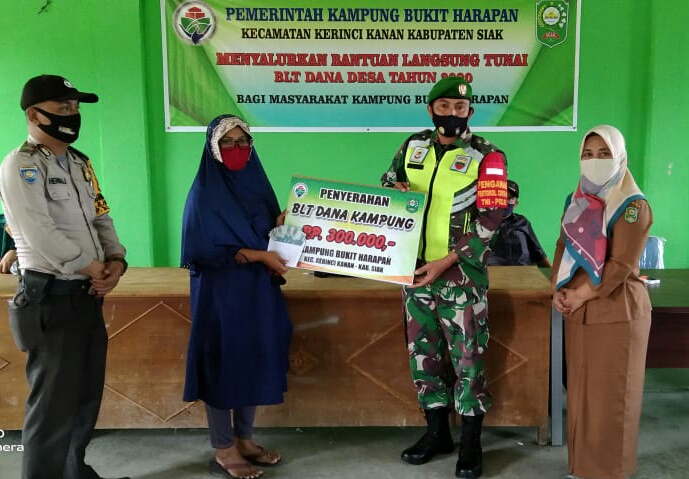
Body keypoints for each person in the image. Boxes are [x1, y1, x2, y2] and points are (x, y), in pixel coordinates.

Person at [0, 74, 129, 479]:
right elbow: (38, 231)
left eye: (74, 108)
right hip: (50, 299)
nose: (72, 115)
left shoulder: (79, 163)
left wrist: (116, 260)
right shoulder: (21, 165)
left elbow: (101, 216)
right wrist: (90, 266)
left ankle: (76, 472)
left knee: (85, 398)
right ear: (34, 115)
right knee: (51, 410)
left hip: (86, 297)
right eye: (62, 109)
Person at [381, 76, 508, 479]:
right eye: (445, 106)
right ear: (431, 109)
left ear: (470, 112)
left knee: (468, 359)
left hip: (461, 277)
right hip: (414, 271)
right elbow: (387, 183)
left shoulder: (487, 155)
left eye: (460, 107)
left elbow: (493, 218)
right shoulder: (412, 146)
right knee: (424, 354)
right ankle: (437, 433)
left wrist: (449, 260)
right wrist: (395, 187)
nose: (453, 113)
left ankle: (470, 444)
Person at [181, 114, 292, 479]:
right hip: (220, 295)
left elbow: (267, 235)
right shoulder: (204, 194)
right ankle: (224, 448)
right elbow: (203, 250)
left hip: (257, 291)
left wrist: (283, 228)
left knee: (253, 359)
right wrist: (260, 256)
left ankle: (244, 439)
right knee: (222, 363)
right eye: (226, 142)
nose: (236, 148)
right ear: (213, 148)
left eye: (243, 141)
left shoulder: (256, 184)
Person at [552, 125, 652, 479]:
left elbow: (621, 264)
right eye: (588, 154)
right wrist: (557, 289)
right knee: (582, 395)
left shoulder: (632, 206)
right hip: (579, 312)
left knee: (611, 397)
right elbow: (562, 245)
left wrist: (580, 294)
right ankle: (583, 467)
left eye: (604, 154)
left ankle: (610, 470)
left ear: (620, 157)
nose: (594, 161)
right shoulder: (576, 199)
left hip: (616, 311)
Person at [487, 180, 552, 267]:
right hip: (490, 273)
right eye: (501, 197)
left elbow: (539, 255)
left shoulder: (522, 222)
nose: (504, 202)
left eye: (509, 198)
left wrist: (554, 273)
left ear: (515, 204)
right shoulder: (480, 223)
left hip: (522, 273)